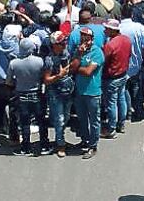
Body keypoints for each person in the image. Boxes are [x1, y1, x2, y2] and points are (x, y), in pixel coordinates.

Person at [7, 37, 50, 156]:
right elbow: (44, 76)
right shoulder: (39, 61)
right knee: (41, 121)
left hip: (21, 95)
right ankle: (44, 146)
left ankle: (25, 148)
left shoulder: (14, 63)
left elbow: (8, 82)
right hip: (37, 94)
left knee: (24, 123)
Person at [70, 27, 104, 159]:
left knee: (94, 120)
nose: (84, 39)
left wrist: (77, 67)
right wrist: (78, 55)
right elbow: (72, 69)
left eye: (86, 37)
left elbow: (88, 71)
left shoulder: (97, 52)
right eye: (82, 36)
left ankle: (93, 145)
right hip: (80, 91)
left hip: (93, 92)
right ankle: (85, 140)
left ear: (91, 39)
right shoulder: (78, 51)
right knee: (82, 118)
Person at [43, 31, 75, 157]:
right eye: (61, 43)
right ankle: (60, 144)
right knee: (59, 119)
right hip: (55, 92)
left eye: (65, 42)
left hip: (67, 90)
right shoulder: (49, 60)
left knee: (66, 117)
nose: (64, 44)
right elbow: (46, 80)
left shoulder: (66, 53)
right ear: (54, 45)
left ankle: (60, 136)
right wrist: (59, 76)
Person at [0, 24, 22, 143]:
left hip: (0, 84)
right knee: (14, 113)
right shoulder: (19, 50)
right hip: (14, 86)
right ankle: (14, 137)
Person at [101, 19, 132, 138]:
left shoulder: (110, 45)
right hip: (123, 74)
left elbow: (104, 61)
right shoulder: (126, 40)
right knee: (121, 98)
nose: (105, 31)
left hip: (112, 78)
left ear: (113, 31)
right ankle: (121, 124)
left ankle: (111, 128)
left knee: (111, 103)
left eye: (107, 29)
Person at [121, 10, 144, 122]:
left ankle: (127, 112)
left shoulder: (118, 28)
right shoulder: (139, 27)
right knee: (136, 88)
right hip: (136, 64)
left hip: (123, 65)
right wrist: (141, 57)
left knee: (124, 90)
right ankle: (138, 111)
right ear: (132, 15)